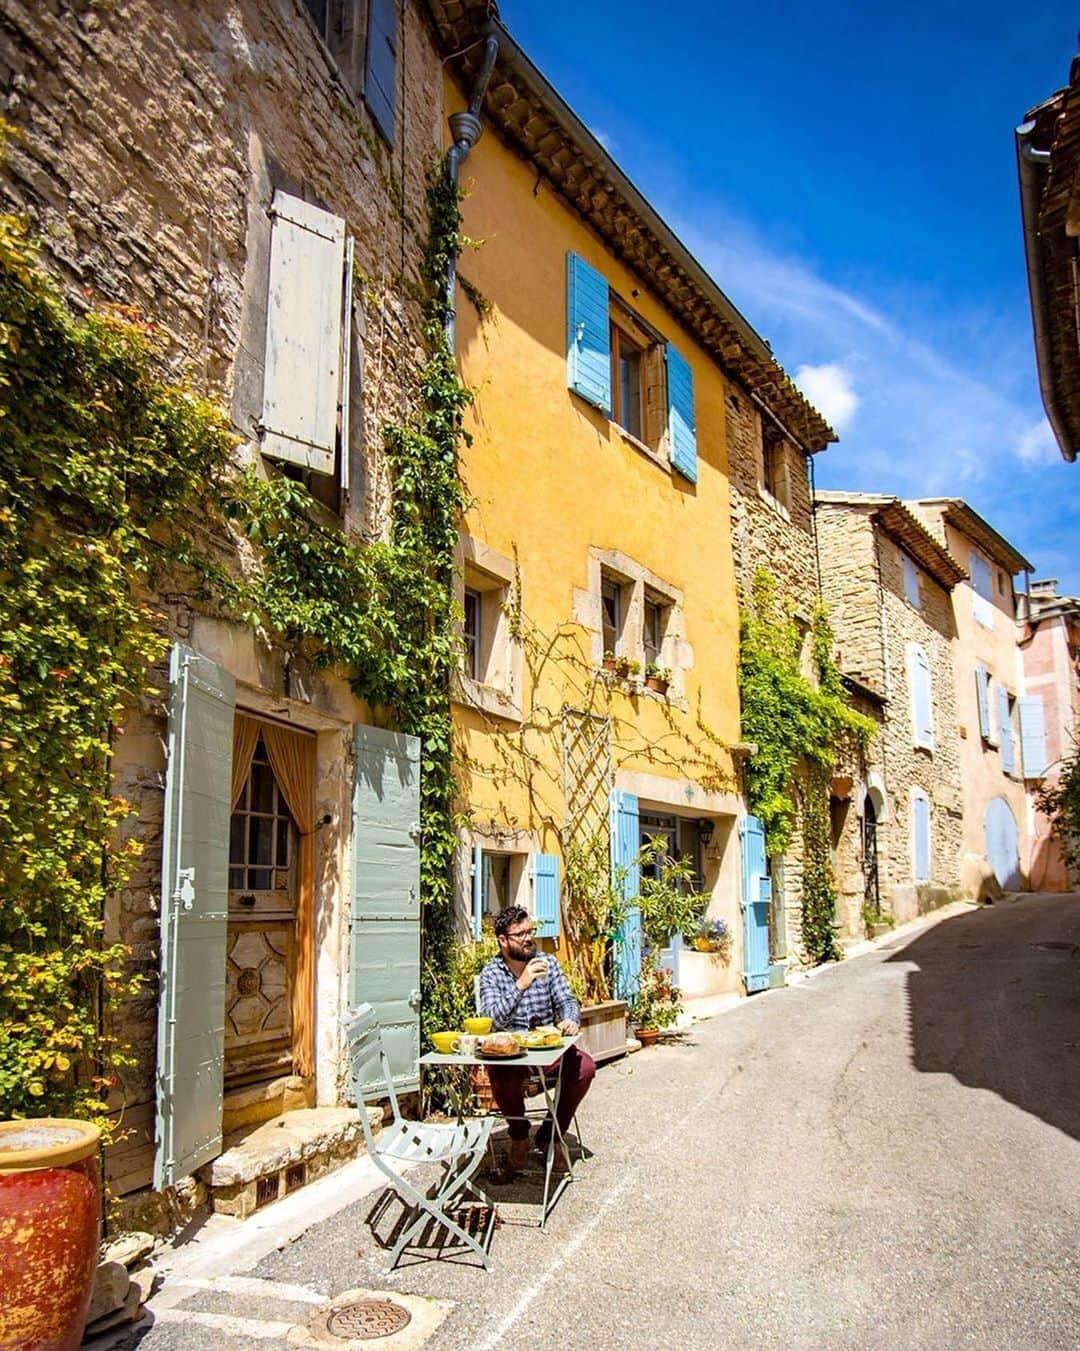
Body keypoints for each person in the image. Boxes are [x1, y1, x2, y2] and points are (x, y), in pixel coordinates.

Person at [478, 904, 596, 1175]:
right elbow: (492, 1020)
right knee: (499, 1072)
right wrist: (521, 985)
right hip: (513, 1055)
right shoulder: (492, 974)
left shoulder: (548, 963)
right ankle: (519, 1135)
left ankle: (550, 1135)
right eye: (520, 934)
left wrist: (570, 1018)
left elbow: (566, 999)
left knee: (584, 1068)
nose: (528, 938)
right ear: (503, 940)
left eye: (530, 931)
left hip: (548, 1051)